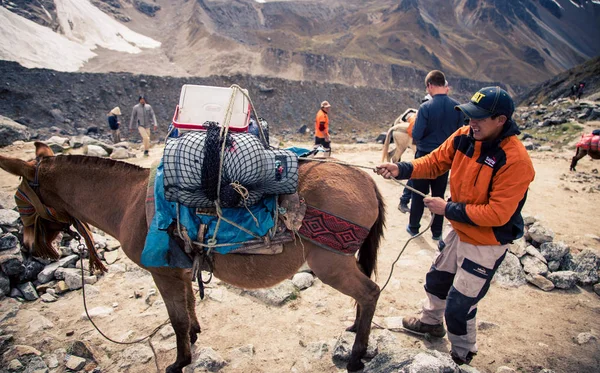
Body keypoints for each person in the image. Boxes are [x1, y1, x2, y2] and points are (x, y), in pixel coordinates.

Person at [375, 86, 535, 366]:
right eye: (470, 115)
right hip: (459, 229)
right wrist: (402, 169)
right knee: (437, 280)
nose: (472, 122)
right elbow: (436, 161)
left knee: (461, 305)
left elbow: (498, 214)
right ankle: (430, 322)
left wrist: (447, 209)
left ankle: (462, 353)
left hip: (487, 242)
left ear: (501, 120)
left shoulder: (516, 160)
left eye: (479, 118)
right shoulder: (464, 136)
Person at [406, 72, 464, 240]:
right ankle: (436, 232)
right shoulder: (457, 107)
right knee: (439, 195)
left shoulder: (425, 107)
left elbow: (416, 134)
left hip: (424, 157)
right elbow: (460, 133)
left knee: (418, 193)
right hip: (445, 159)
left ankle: (414, 227)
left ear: (430, 85)